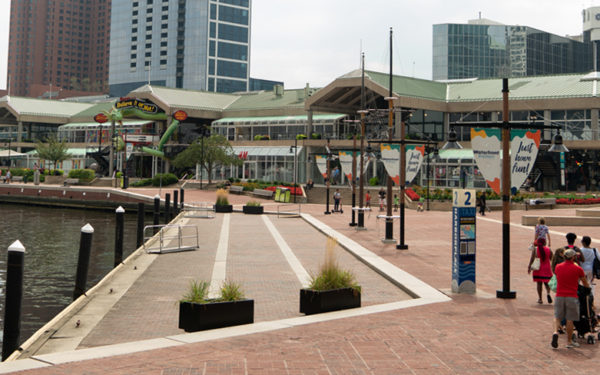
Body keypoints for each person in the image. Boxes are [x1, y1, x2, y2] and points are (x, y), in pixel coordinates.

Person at [551, 249, 591, 349]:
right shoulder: (577, 268)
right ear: (573, 257)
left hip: (560, 295)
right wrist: (587, 288)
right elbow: (585, 282)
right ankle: (569, 342)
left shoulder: (558, 267)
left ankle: (555, 332)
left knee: (557, 316)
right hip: (572, 296)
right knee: (570, 319)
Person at [528, 238, 553, 304]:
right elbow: (551, 258)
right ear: (545, 243)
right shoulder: (548, 249)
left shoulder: (536, 249)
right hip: (547, 268)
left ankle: (540, 298)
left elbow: (532, 259)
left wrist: (529, 267)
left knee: (539, 284)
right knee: (547, 283)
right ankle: (548, 293)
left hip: (538, 269)